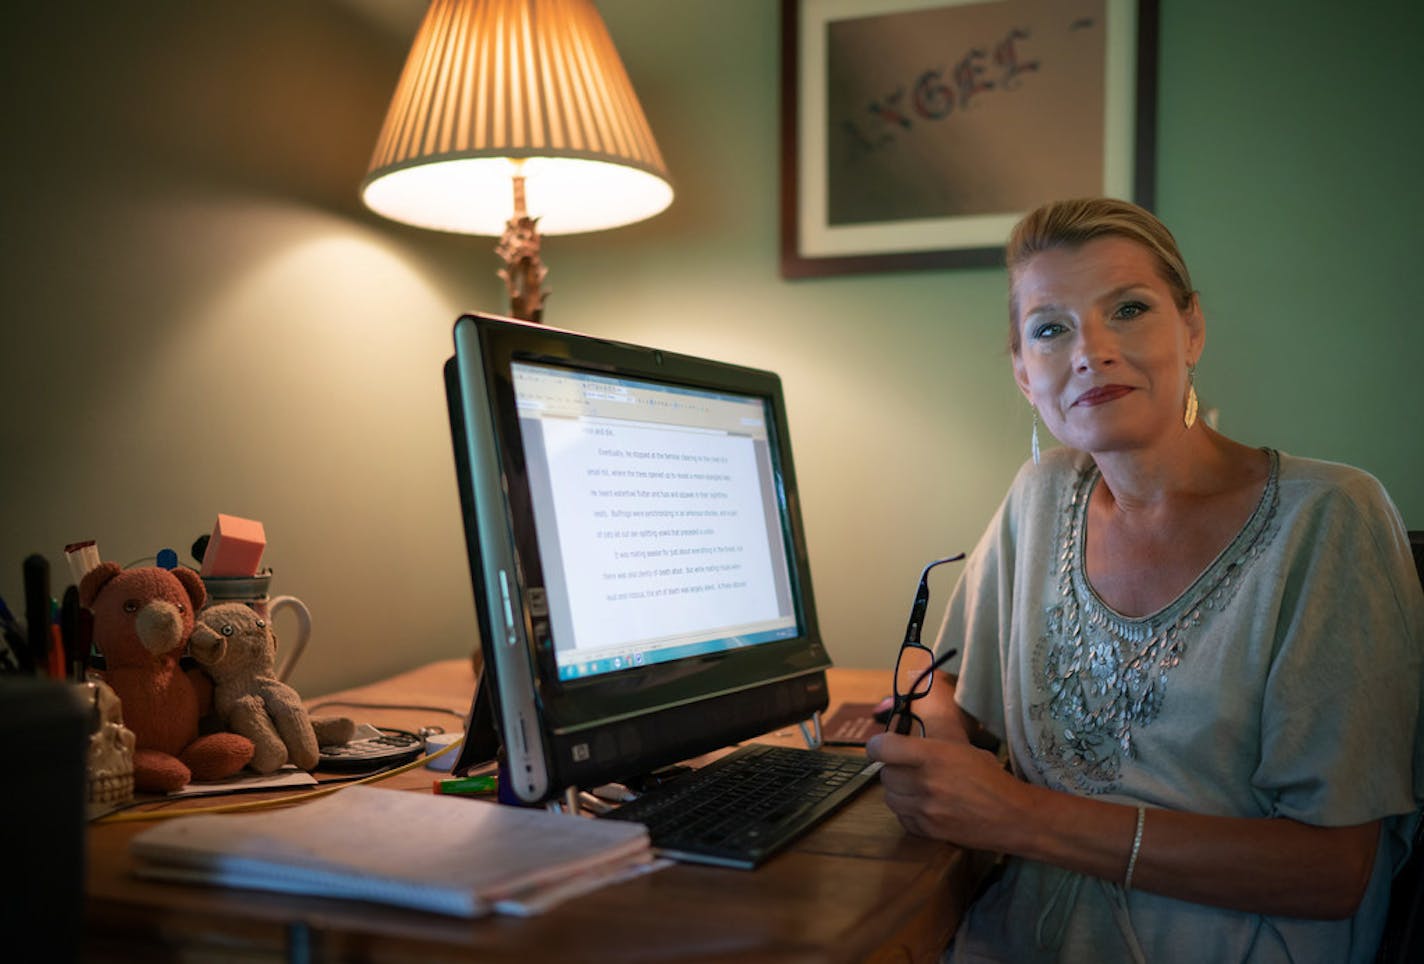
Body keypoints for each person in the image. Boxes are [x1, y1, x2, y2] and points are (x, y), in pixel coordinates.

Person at [866, 197, 1424, 963]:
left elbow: (1334, 874)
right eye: (1051, 328)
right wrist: (933, 739)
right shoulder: (1037, 498)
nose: (1090, 351)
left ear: (1192, 328)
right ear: (1026, 376)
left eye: (1127, 309)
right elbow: (932, 678)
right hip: (1018, 934)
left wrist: (1015, 816)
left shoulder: (1330, 518)